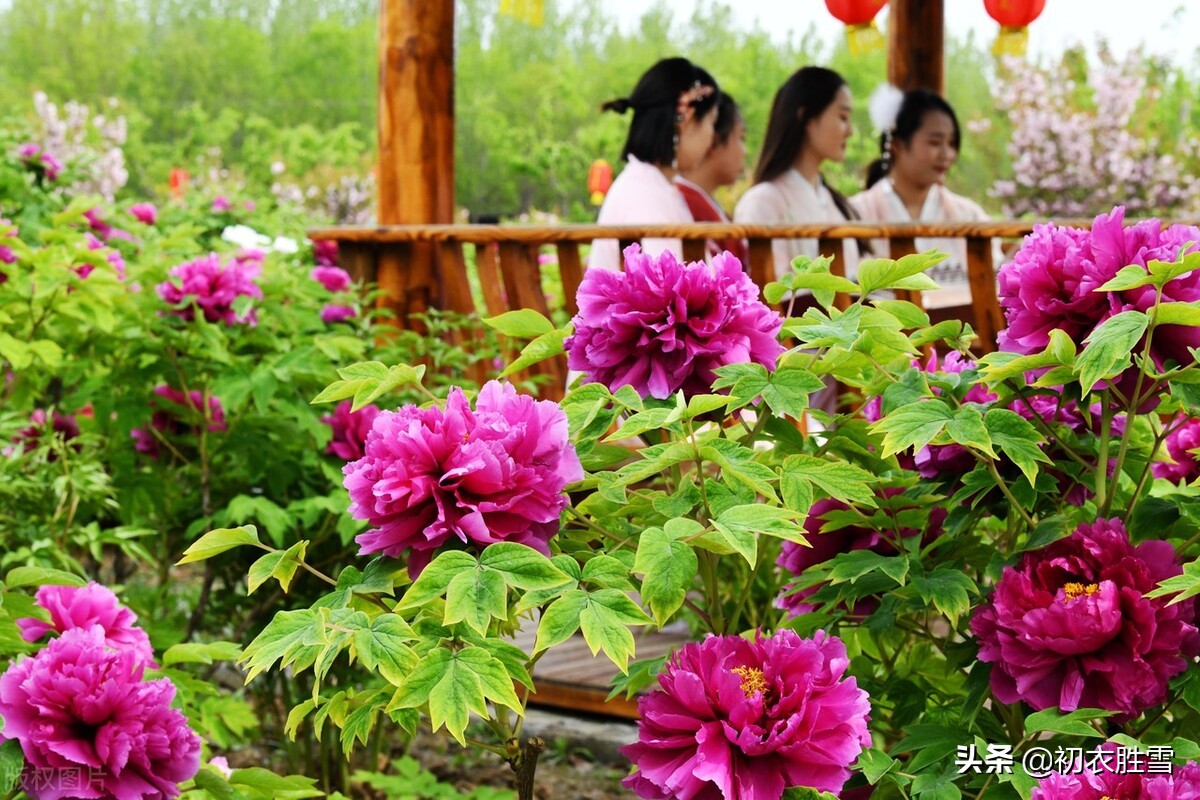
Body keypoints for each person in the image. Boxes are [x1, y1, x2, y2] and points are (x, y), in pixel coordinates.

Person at [850, 86, 1000, 306]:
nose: (946, 154)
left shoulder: (969, 215)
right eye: (935, 142)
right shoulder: (855, 215)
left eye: (951, 144)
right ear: (898, 145)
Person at [733, 66, 862, 284]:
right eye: (842, 117)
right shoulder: (763, 201)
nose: (850, 131)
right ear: (806, 118)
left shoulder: (833, 201)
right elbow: (769, 292)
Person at [589, 57, 720, 271]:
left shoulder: (647, 186)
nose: (712, 137)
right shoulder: (645, 197)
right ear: (686, 117)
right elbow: (666, 294)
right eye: (711, 123)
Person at [675, 92, 749, 266]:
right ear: (713, 141)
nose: (744, 151)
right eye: (740, 138)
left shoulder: (698, 202)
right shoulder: (686, 205)